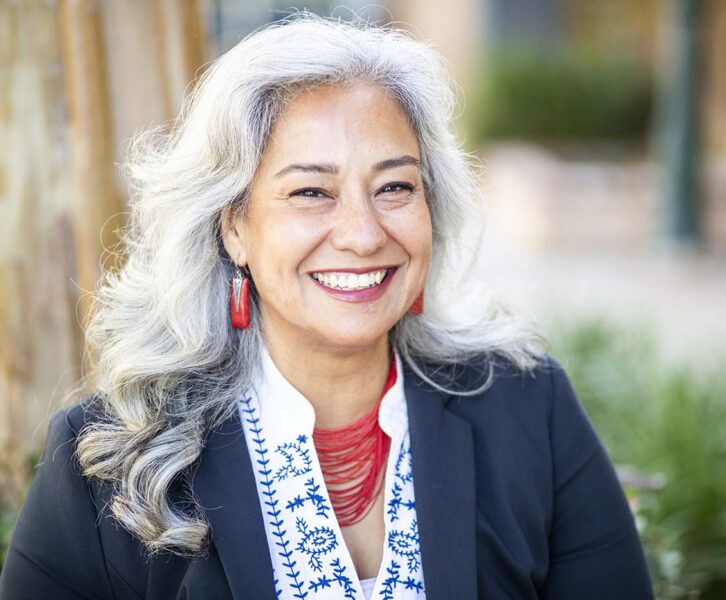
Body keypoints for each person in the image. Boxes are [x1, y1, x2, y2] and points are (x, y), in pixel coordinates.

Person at [0, 14, 653, 600]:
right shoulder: (110, 461)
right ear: (235, 227)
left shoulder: (530, 410)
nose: (364, 234)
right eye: (311, 192)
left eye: (395, 186)